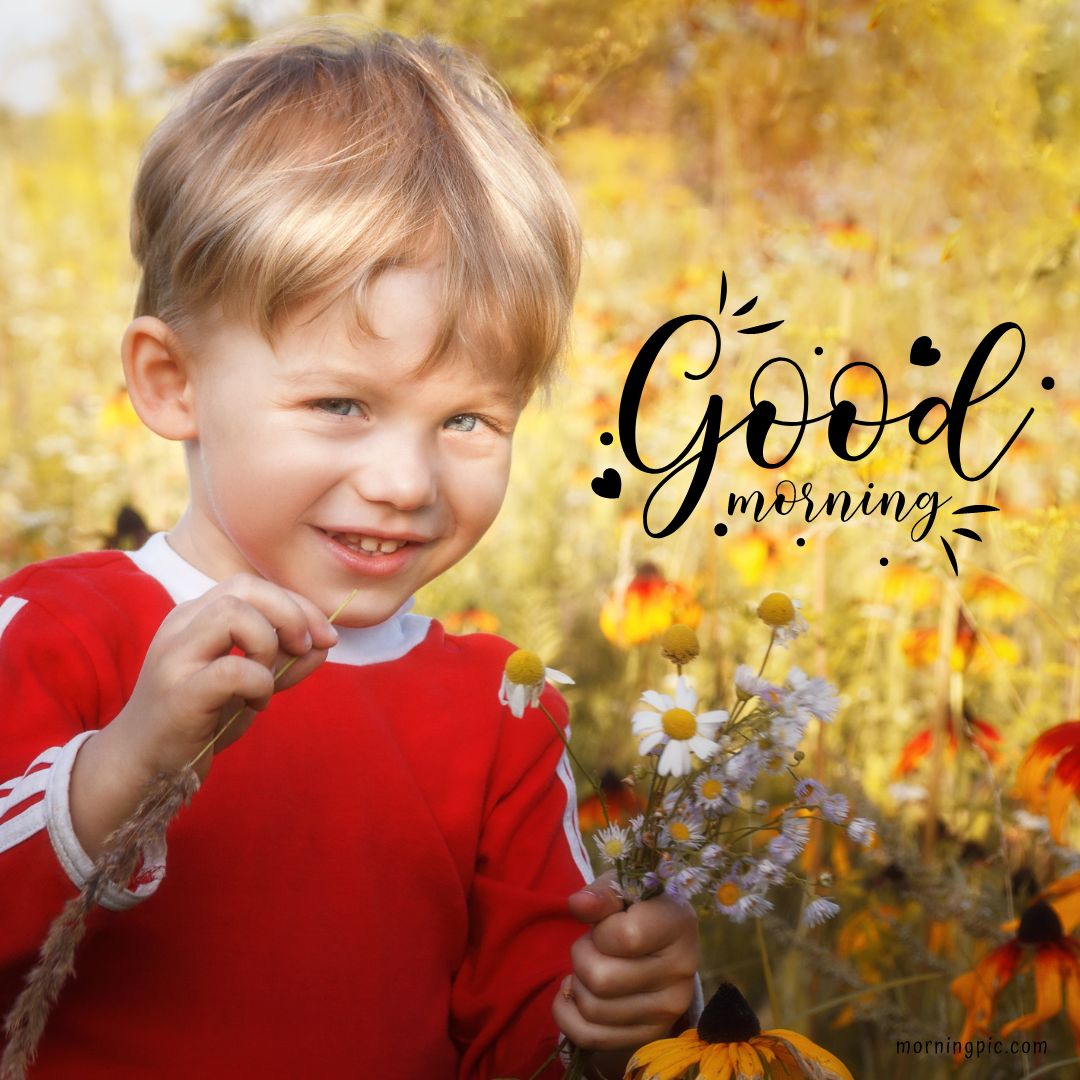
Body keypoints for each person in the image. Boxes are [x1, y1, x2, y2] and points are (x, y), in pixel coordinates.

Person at [0, 24, 698, 1079]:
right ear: (170, 383)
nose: (405, 483)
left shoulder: (500, 717)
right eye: (340, 404)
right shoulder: (60, 636)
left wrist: (627, 1008)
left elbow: (521, 1042)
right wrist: (121, 767)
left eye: (469, 420)